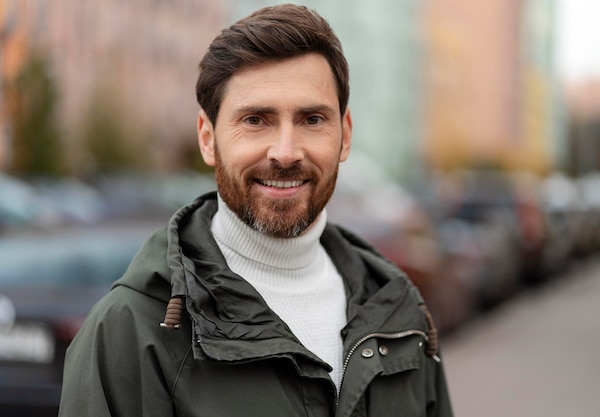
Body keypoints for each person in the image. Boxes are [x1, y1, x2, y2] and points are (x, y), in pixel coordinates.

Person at [59, 4, 454, 416]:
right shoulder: (132, 331)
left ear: (345, 135)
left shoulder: (398, 314)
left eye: (312, 119)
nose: (285, 153)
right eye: (255, 120)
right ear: (208, 139)